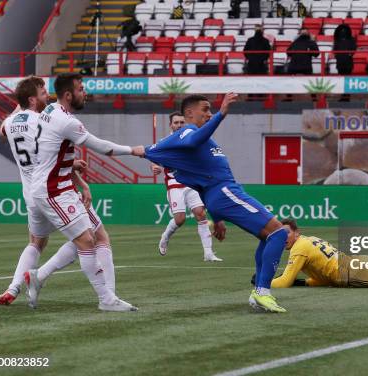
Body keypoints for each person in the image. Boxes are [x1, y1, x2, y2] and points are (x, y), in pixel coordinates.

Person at [141, 94, 289, 313]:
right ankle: (262, 292)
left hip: (221, 194)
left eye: (211, 110)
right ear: (189, 113)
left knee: (269, 236)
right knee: (279, 233)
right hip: (224, 192)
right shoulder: (190, 135)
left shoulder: (203, 140)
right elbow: (173, 155)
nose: (209, 113)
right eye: (206, 109)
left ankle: (259, 291)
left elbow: (201, 180)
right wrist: (222, 113)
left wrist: (217, 218)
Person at [24, 73, 144, 312]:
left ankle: (40, 276)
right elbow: (103, 147)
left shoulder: (50, 111)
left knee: (97, 235)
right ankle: (106, 298)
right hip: (52, 190)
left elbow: (51, 149)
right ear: (68, 95)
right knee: (87, 240)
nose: (85, 92)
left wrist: (73, 169)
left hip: (61, 185)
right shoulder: (67, 121)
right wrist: (134, 150)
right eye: (80, 89)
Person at [0, 77, 83, 305]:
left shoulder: (11, 122)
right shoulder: (44, 121)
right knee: (87, 235)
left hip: (30, 192)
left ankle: (13, 288)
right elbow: (53, 155)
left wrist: (20, 105)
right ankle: (38, 276)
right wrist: (75, 170)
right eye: (43, 93)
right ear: (33, 99)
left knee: (36, 242)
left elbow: (3, 130)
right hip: (51, 189)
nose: (48, 96)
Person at [263, 219, 368, 289]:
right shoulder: (309, 239)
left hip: (352, 272)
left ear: (296, 233)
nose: (283, 238)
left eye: (287, 233)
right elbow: (325, 277)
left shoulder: (299, 249)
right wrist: (304, 283)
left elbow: (285, 281)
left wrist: (263, 282)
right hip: (357, 261)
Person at [152, 112, 222, 261]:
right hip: (174, 185)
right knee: (180, 219)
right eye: (176, 123)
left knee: (201, 214)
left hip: (191, 183)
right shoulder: (165, 142)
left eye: (181, 122)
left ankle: (208, 253)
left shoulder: (191, 139)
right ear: (170, 125)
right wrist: (154, 167)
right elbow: (153, 157)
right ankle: (165, 237)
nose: (179, 125)